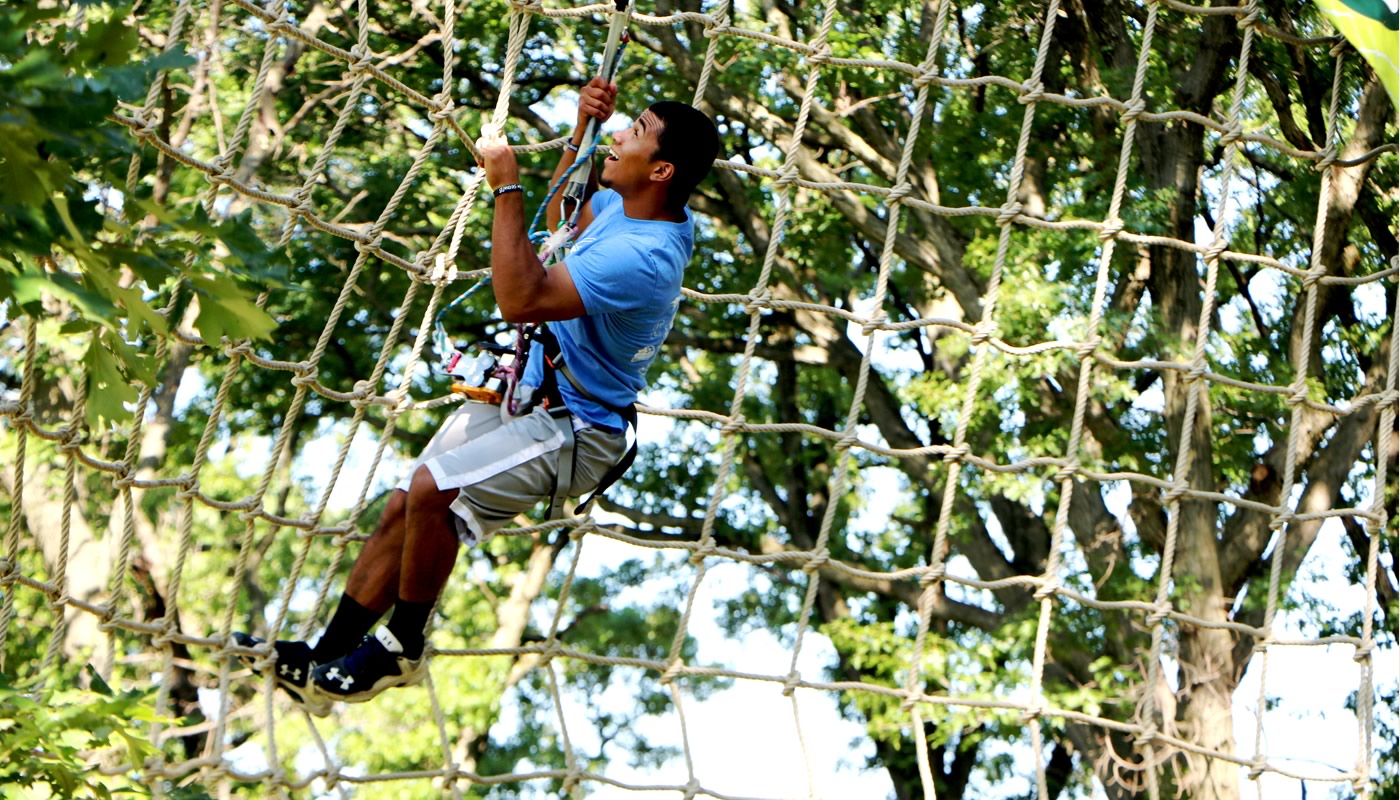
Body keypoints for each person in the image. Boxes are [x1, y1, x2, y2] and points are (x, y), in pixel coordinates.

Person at [232, 79, 719, 715]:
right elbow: (563, 217)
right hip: (534, 392)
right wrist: (582, 128)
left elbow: (521, 297)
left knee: (437, 490)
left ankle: (402, 647)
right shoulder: (634, 211)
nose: (620, 133)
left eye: (635, 131)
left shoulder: (646, 257)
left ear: (659, 168)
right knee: (404, 506)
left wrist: (505, 188)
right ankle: (324, 658)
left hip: (576, 428)